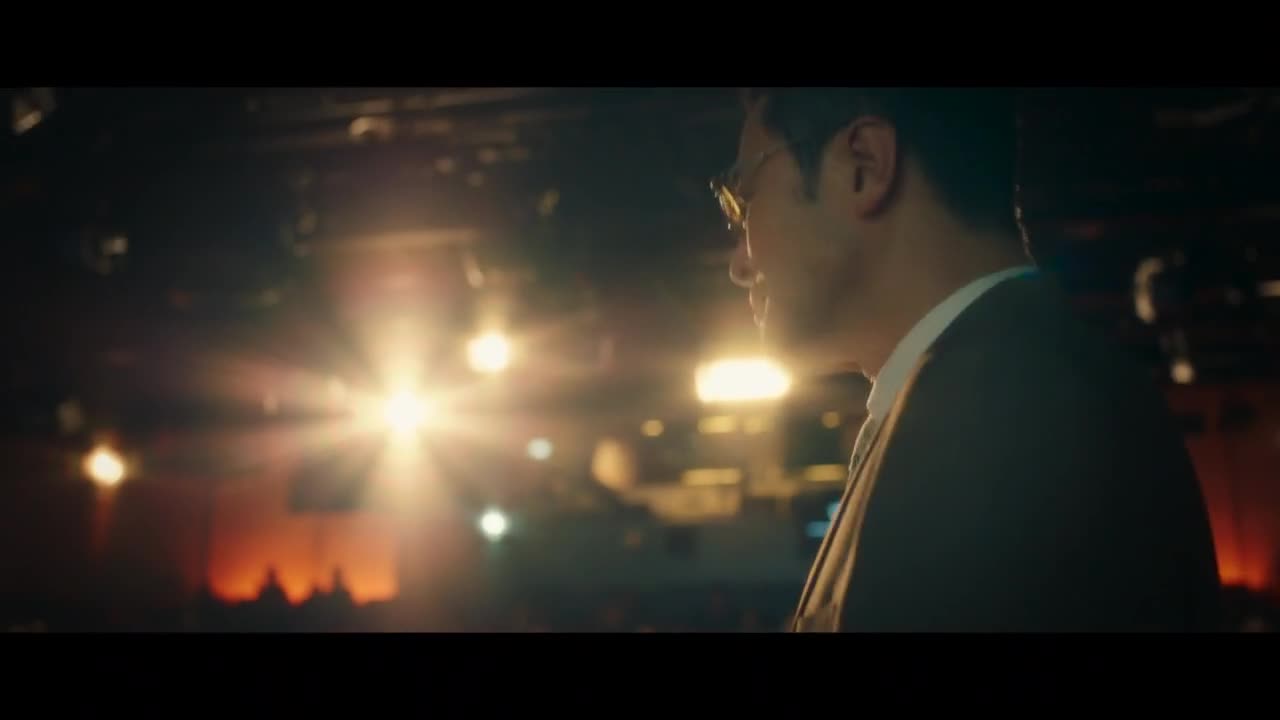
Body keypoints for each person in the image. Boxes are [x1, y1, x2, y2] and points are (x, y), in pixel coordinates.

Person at [714, 88, 1222, 632]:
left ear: (864, 165)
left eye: (743, 201)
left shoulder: (998, 412)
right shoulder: (1012, 381)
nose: (738, 264)